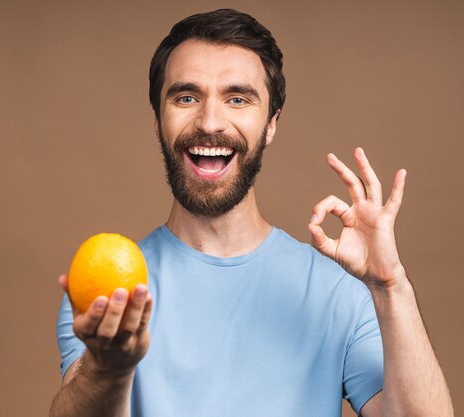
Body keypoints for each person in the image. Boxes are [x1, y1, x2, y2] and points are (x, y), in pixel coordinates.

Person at [50, 9, 453, 417]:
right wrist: (108, 369)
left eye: (237, 99)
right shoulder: (111, 291)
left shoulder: (339, 293)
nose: (210, 122)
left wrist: (390, 287)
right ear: (158, 120)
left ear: (271, 124)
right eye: (186, 97)